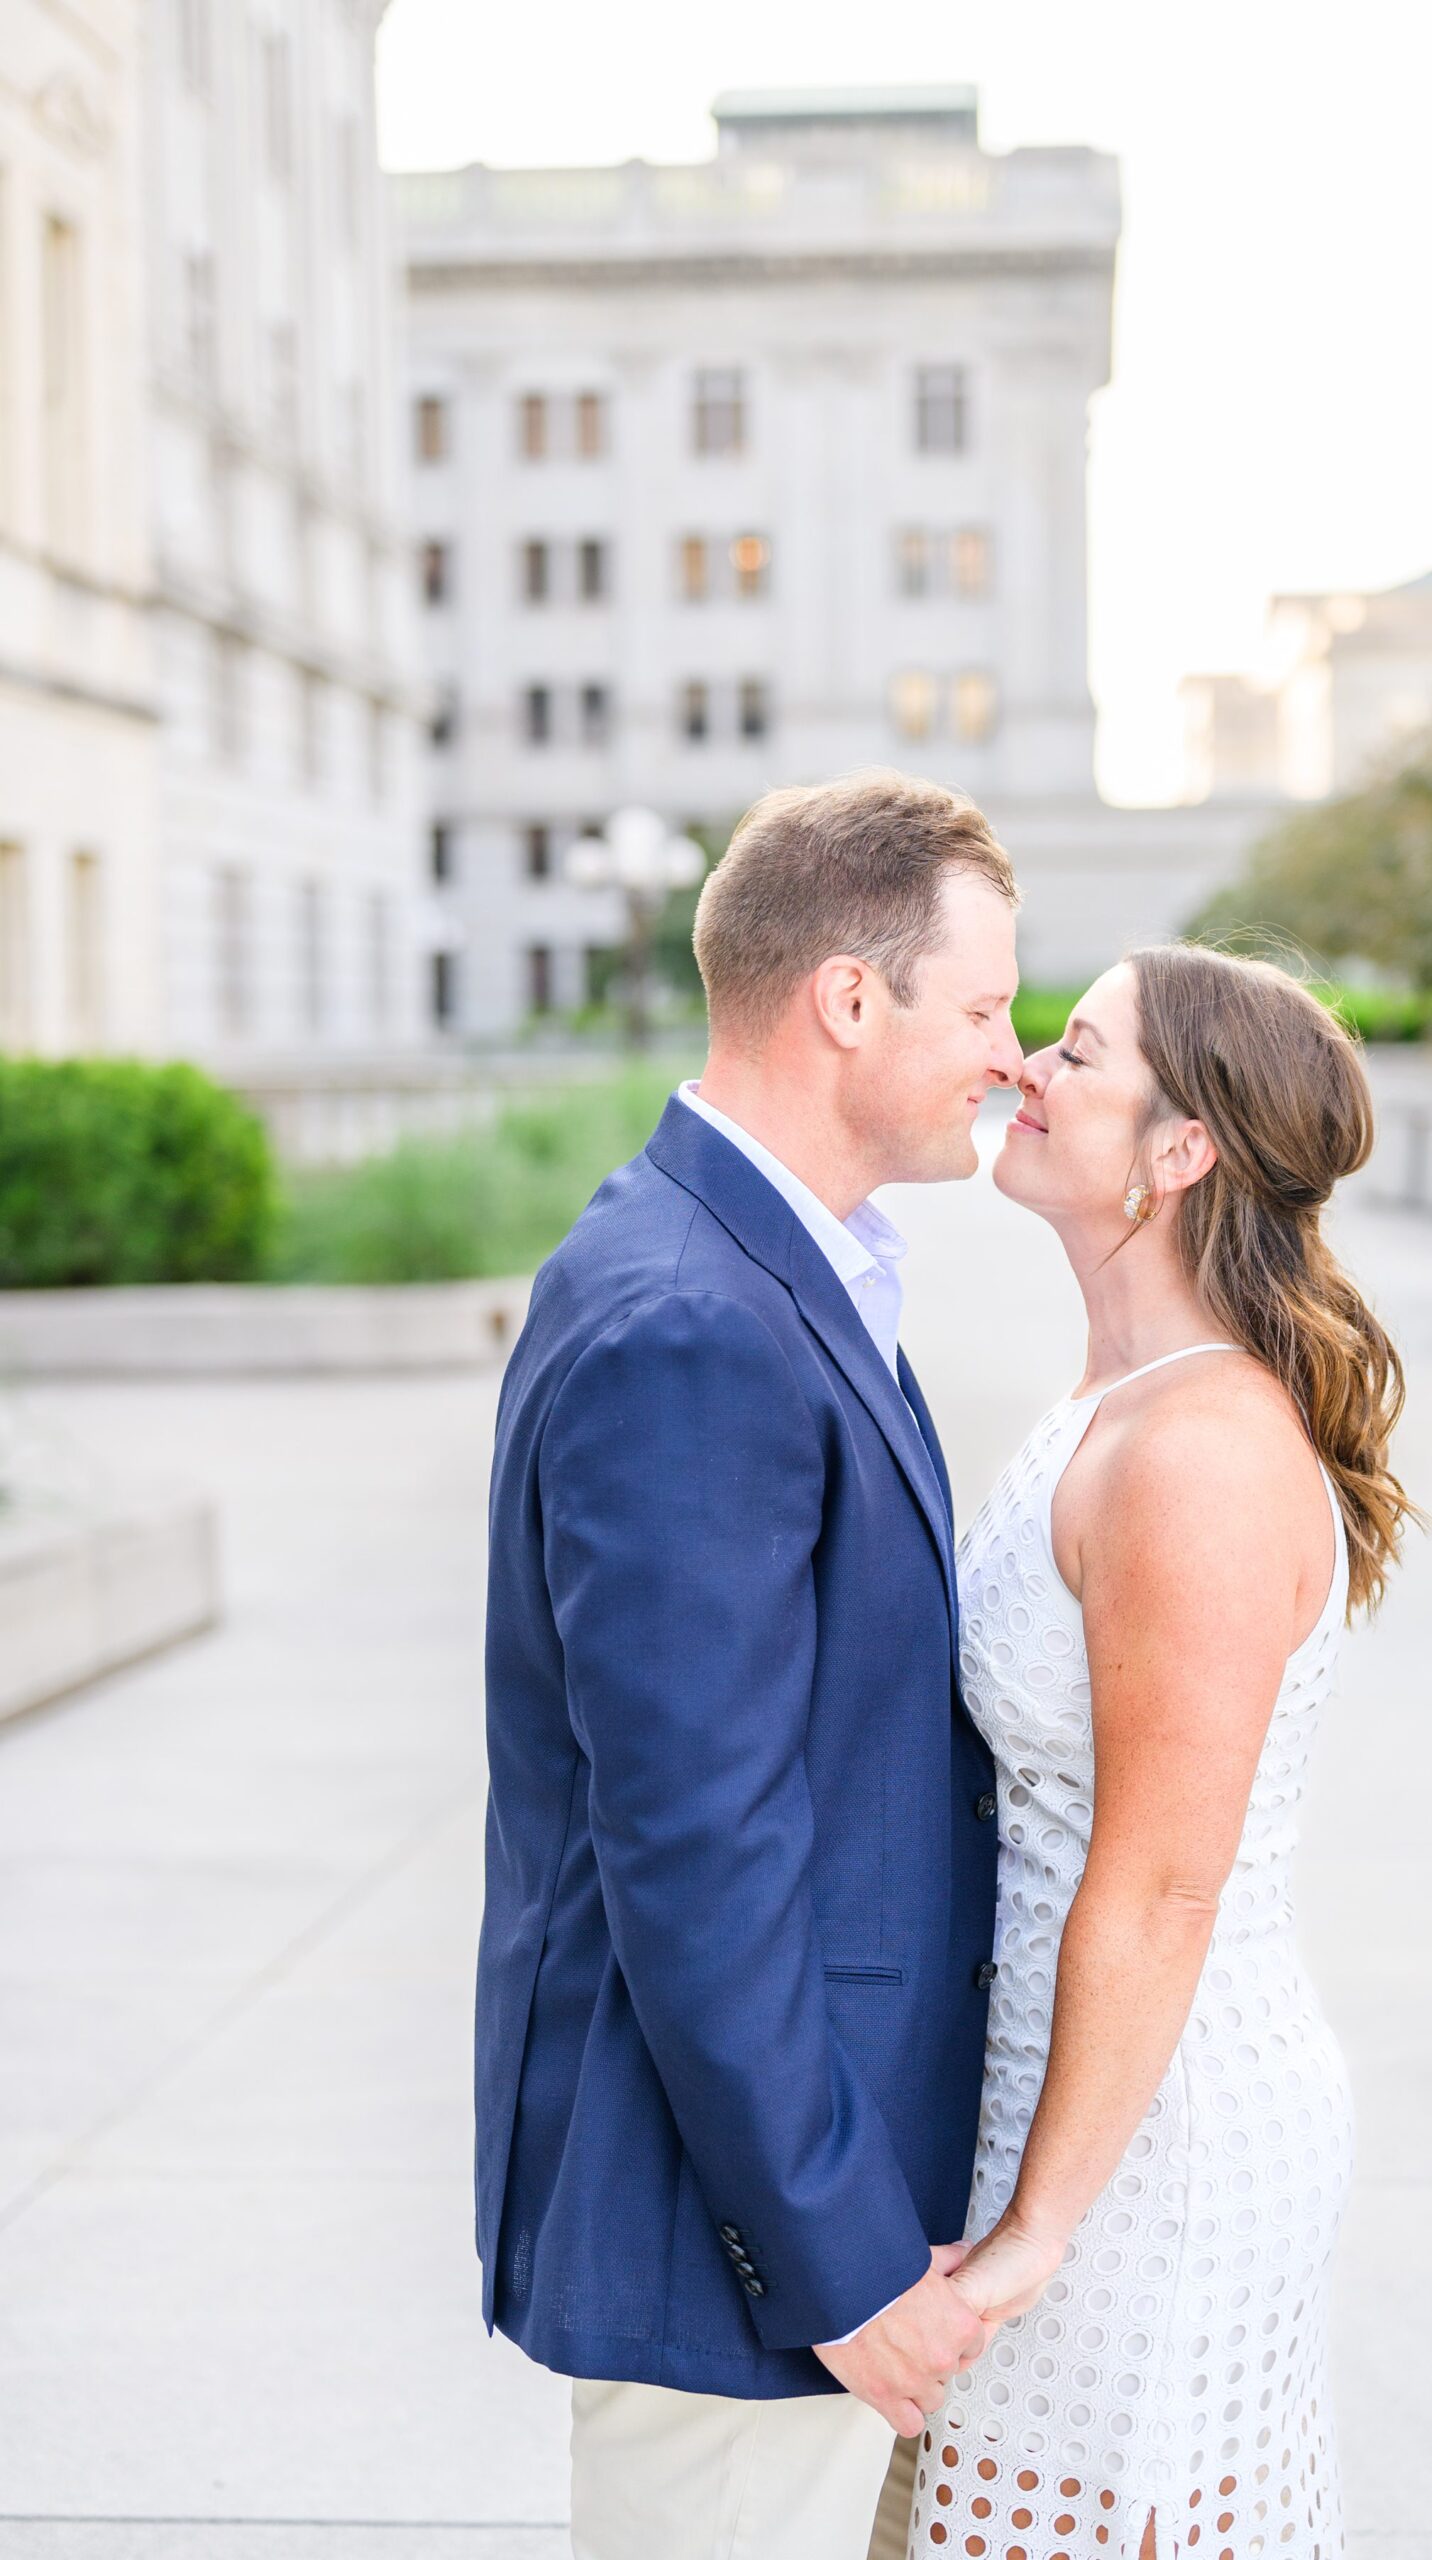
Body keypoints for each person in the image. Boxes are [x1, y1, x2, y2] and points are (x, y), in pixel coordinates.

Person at [476, 771, 1026, 2560]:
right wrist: (837, 2262)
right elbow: (695, 1847)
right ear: (847, 1002)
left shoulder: (771, 1264)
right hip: (736, 2257)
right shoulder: (690, 1323)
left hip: (809, 2199)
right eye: (984, 1006)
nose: (1008, 1055)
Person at [906, 945, 1417, 2560]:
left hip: (1149, 2151)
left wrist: (1033, 2236)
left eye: (1076, 1049)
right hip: (1069, 2108)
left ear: (1181, 1147)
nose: (1028, 1073)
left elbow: (1164, 1883)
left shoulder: (1194, 1452)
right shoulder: (1115, 1396)